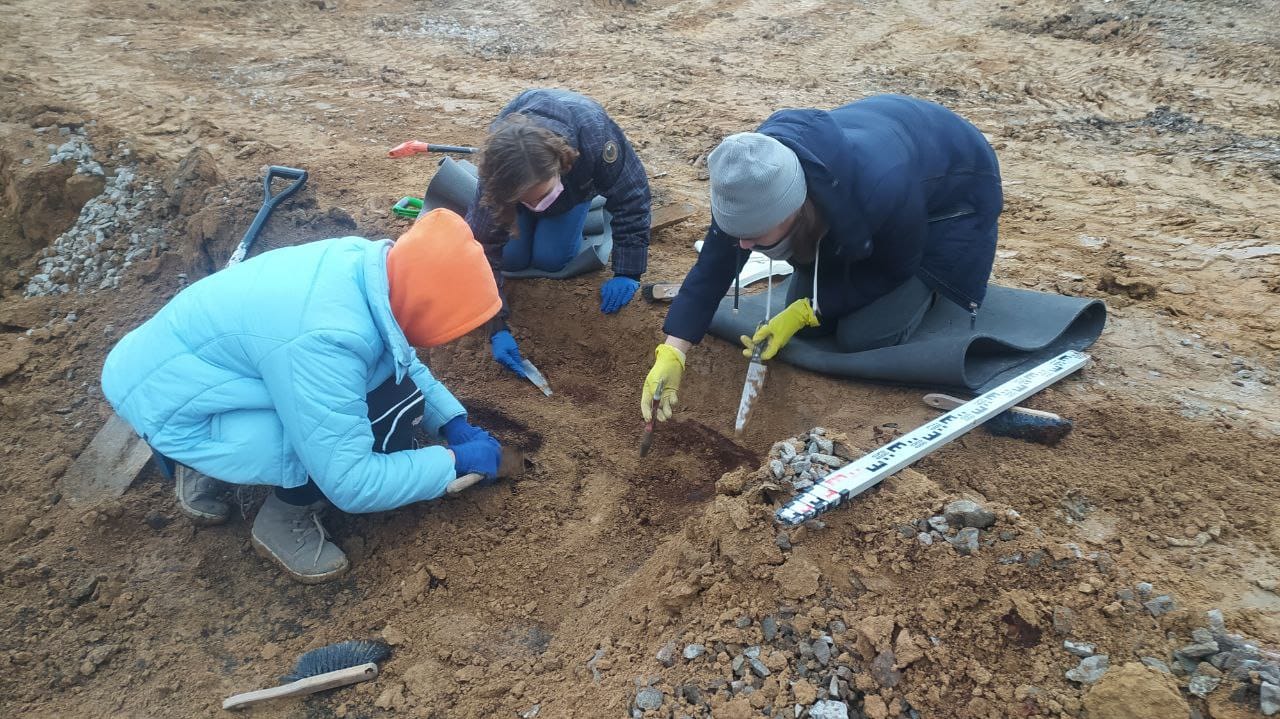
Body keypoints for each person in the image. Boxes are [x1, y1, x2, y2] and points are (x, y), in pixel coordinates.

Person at [101, 210, 506, 584]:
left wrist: (453, 422)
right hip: (175, 404)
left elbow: (398, 357)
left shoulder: (370, 268)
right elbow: (352, 482)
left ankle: (203, 459)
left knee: (370, 393)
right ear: (424, 306)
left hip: (178, 375)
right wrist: (452, 462)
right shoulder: (324, 339)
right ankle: (282, 515)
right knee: (388, 416)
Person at [641, 94, 1002, 422]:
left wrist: (805, 312)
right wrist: (673, 351)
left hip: (951, 199)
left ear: (793, 211)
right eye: (740, 236)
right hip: (869, 178)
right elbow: (713, 267)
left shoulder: (882, 187)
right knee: (819, 323)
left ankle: (930, 291)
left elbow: (893, 267)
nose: (745, 247)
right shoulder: (752, 180)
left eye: (755, 237)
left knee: (862, 336)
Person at [465, 88, 652, 377]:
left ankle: (587, 204)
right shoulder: (498, 171)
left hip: (574, 189)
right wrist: (495, 327)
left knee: (551, 257)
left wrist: (628, 271)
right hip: (526, 191)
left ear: (560, 163)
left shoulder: (595, 141)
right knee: (511, 258)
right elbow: (482, 249)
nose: (538, 206)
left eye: (542, 195)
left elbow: (633, 197)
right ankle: (533, 201)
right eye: (530, 200)